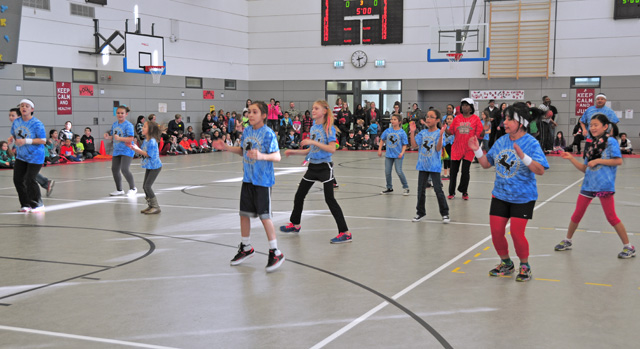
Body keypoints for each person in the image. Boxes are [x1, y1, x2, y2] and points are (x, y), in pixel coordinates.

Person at [469, 102, 549, 282]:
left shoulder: (531, 143)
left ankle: (524, 265)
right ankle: (506, 263)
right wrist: (477, 151)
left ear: (521, 122)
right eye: (505, 118)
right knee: (496, 232)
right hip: (500, 194)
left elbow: (540, 170)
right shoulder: (501, 141)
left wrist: (524, 157)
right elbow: (486, 164)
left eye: (509, 119)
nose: (505, 122)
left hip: (523, 197)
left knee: (516, 233)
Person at [212, 101, 285, 272]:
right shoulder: (247, 131)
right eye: (249, 112)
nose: (250, 115)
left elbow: (277, 156)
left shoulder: (268, 134)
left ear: (264, 115)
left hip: (263, 181)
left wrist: (261, 156)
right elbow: (242, 151)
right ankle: (246, 247)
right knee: (244, 214)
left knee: (264, 216)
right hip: (248, 179)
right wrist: (227, 147)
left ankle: (275, 251)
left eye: (254, 112)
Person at [554, 113, 634, 259]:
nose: (592, 127)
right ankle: (568, 240)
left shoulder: (611, 142)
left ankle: (628, 246)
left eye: (595, 125)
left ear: (605, 126)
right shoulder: (591, 145)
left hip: (604, 185)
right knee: (577, 214)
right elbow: (585, 169)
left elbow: (618, 161)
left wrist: (598, 161)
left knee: (611, 217)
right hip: (588, 185)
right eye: (591, 125)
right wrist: (571, 158)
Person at [280, 100, 352, 244]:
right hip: (313, 167)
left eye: (316, 108)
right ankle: (295, 224)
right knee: (299, 195)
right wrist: (294, 152)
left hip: (325, 167)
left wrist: (312, 142)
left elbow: (332, 149)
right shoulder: (313, 127)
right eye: (312, 108)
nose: (313, 110)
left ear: (324, 111)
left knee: (329, 199)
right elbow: (311, 150)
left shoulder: (329, 128)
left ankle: (345, 232)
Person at [412, 110, 450, 223]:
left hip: (434, 166)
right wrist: (412, 132)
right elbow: (414, 145)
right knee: (420, 190)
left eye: (431, 117)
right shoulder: (423, 133)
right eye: (427, 117)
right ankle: (420, 213)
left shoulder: (439, 132)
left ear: (437, 120)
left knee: (438, 190)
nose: (428, 119)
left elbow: (438, 148)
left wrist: (442, 135)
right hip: (422, 165)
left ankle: (445, 213)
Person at [11, 99, 47, 212]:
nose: (24, 108)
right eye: (22, 106)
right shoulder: (16, 122)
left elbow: (43, 140)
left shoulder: (37, 123)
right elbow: (15, 134)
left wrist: (26, 141)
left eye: (27, 106)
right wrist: (11, 139)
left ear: (32, 109)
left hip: (35, 156)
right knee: (18, 180)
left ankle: (38, 204)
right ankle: (25, 204)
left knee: (29, 179)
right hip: (21, 156)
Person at [445, 98, 484, 200]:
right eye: (463, 105)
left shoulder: (476, 119)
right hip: (457, 148)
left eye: (466, 105)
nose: (464, 107)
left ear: (471, 108)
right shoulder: (457, 118)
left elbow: (480, 134)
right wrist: (444, 128)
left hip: (469, 149)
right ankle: (451, 192)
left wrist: (485, 129)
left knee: (465, 171)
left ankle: (464, 191)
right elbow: (451, 132)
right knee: (453, 172)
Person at [129, 121, 163, 214]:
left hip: (155, 167)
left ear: (150, 130)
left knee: (147, 186)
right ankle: (150, 206)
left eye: (144, 126)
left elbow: (148, 154)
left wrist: (136, 149)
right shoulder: (146, 140)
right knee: (145, 186)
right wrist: (134, 147)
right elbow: (142, 150)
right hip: (150, 166)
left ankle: (156, 207)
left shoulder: (152, 141)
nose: (142, 128)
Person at [104, 105, 137, 196]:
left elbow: (131, 138)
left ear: (126, 114)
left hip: (127, 150)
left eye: (122, 113)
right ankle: (119, 190)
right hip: (117, 150)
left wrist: (120, 138)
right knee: (114, 169)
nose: (120, 115)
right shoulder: (115, 124)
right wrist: (109, 137)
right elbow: (115, 137)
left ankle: (133, 188)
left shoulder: (128, 125)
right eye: (118, 113)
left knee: (124, 169)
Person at [378, 113, 410, 195]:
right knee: (387, 171)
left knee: (399, 171)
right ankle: (389, 187)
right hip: (389, 155)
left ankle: (406, 187)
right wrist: (379, 149)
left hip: (398, 155)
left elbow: (404, 145)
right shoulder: (387, 131)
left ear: (399, 122)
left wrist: (402, 153)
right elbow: (382, 140)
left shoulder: (402, 132)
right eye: (392, 119)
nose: (392, 121)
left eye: (394, 119)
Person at [442, 114, 455, 179]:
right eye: (448, 119)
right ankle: (445, 174)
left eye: (450, 119)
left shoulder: (455, 127)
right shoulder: (444, 127)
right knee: (445, 159)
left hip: (452, 145)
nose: (449, 120)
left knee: (451, 159)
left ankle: (450, 173)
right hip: (445, 145)